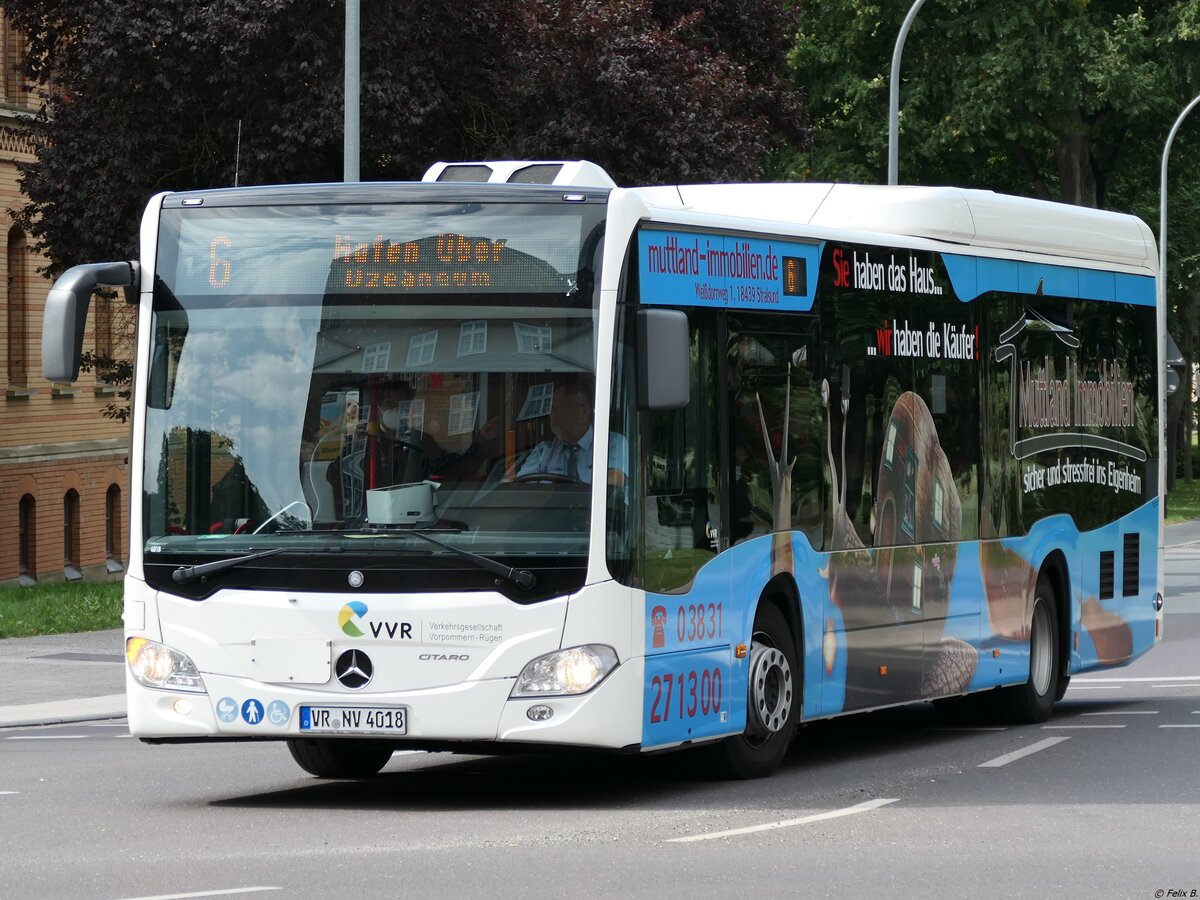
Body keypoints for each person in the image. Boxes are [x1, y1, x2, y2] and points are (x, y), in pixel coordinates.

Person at [515, 377, 628, 486]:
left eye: (558, 409)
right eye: (551, 408)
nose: (551, 414)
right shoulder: (543, 451)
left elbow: (614, 482)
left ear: (583, 412)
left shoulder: (611, 443)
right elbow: (522, 488)